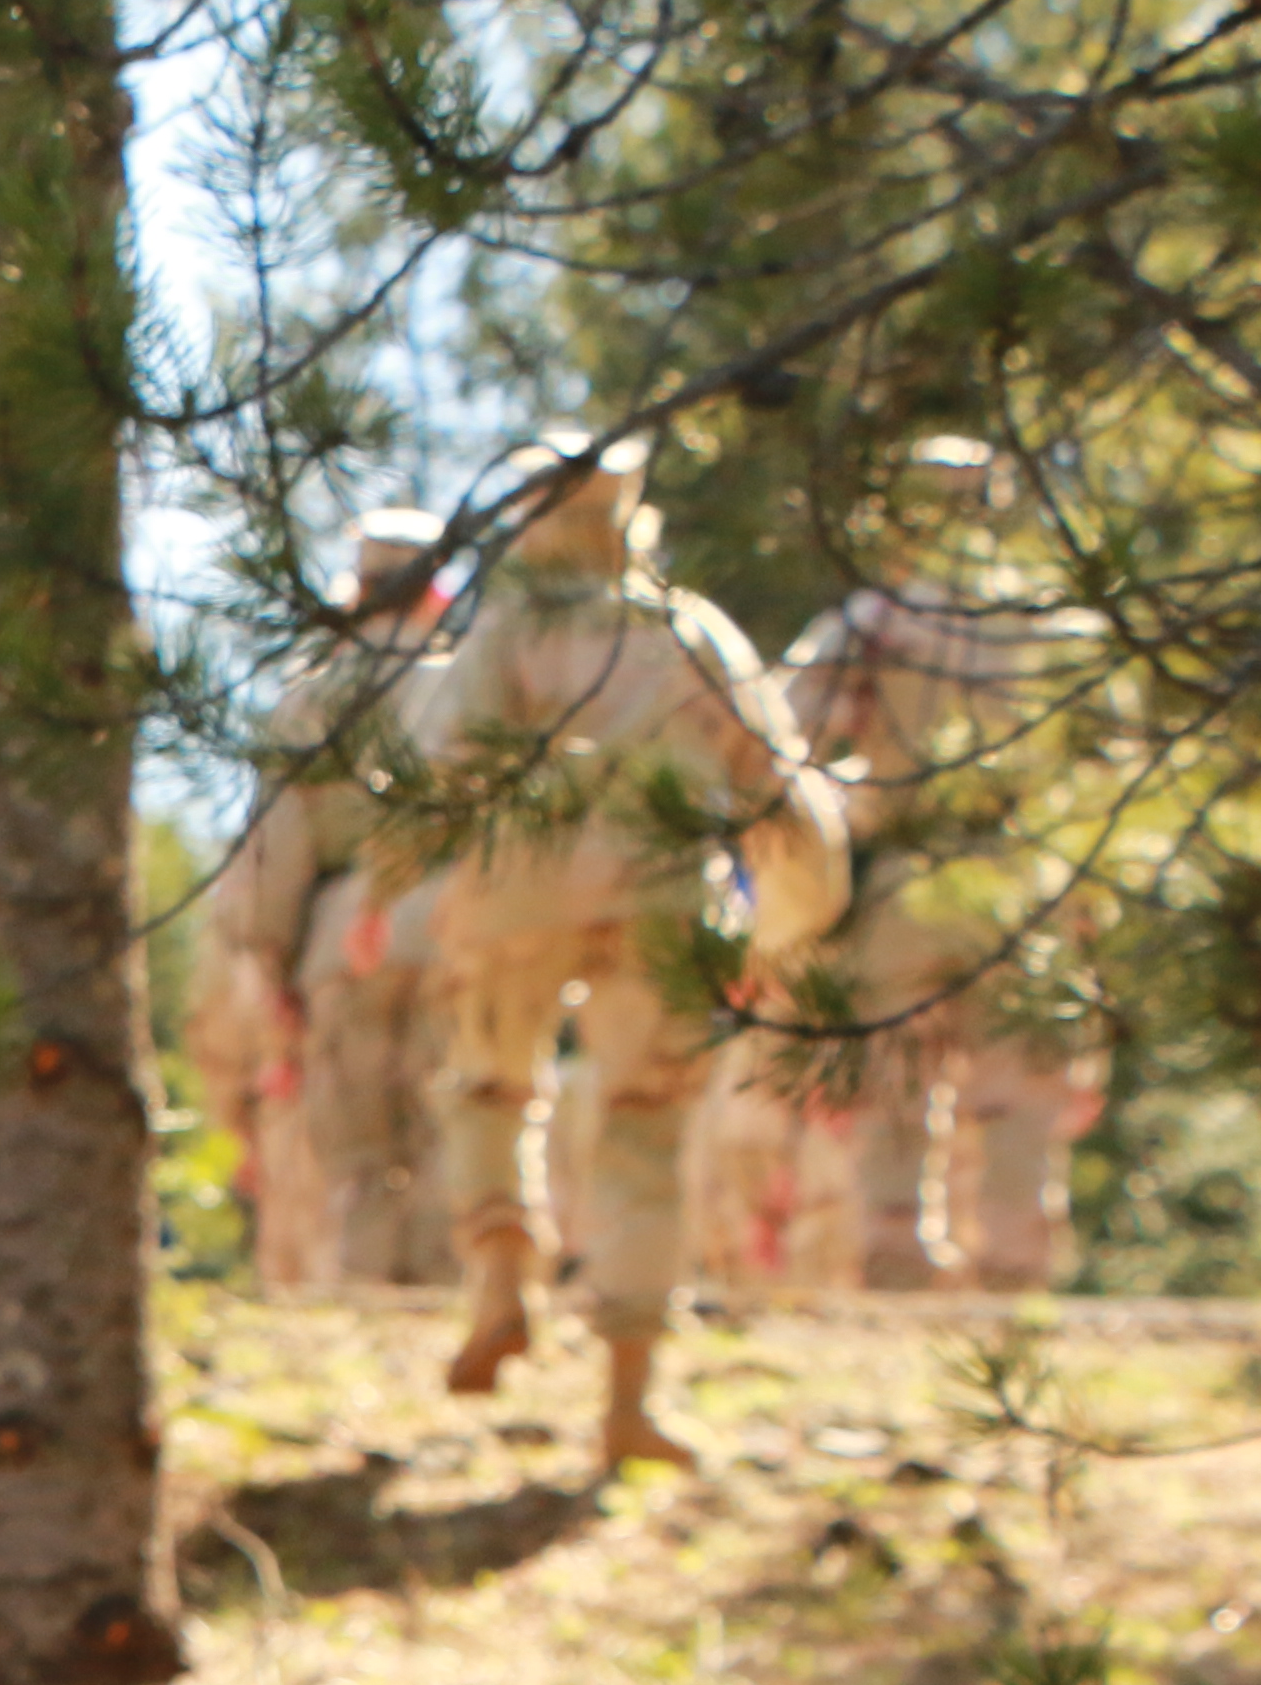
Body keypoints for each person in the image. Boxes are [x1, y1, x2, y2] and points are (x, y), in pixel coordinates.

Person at [402, 433, 850, 1468]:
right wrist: (781, 925)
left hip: (516, 893)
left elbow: (441, 758)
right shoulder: (690, 629)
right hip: (663, 901)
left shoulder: (512, 622)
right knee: (649, 1128)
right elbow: (784, 791)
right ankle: (626, 1404)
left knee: (488, 1087)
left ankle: (505, 1282)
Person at [783, 435, 1103, 1292]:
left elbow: (784, 742)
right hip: (1023, 878)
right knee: (1022, 1093)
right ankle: (1014, 1273)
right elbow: (1106, 769)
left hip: (899, 878)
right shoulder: (1050, 622)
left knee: (895, 1080)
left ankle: (897, 1265)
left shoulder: (875, 620)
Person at [204, 506, 449, 1287]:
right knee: (456, 1138)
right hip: (461, 928)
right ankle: (460, 1318)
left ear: (358, 592)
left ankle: (377, 1322)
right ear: (435, 591)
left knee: (364, 1162)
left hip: (346, 940)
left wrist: (271, 968)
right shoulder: (479, 682)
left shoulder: (312, 697)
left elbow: (278, 850)